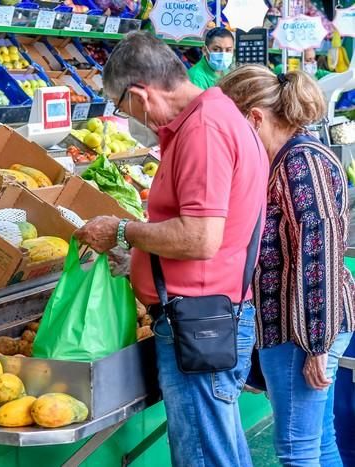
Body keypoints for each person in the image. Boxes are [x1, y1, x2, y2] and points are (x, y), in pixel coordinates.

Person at [74, 31, 269, 466]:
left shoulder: (204, 130)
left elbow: (200, 238)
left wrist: (122, 230)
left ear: (140, 94)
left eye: (121, 106)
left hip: (199, 323)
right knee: (220, 449)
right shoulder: (214, 116)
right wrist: (141, 257)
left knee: (203, 456)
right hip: (210, 317)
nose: (130, 117)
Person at [219, 65, 355, 466]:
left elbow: (320, 254)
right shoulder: (283, 158)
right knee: (318, 442)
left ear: (254, 118)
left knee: (296, 450)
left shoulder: (301, 162)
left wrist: (317, 344)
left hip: (303, 332)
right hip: (296, 328)